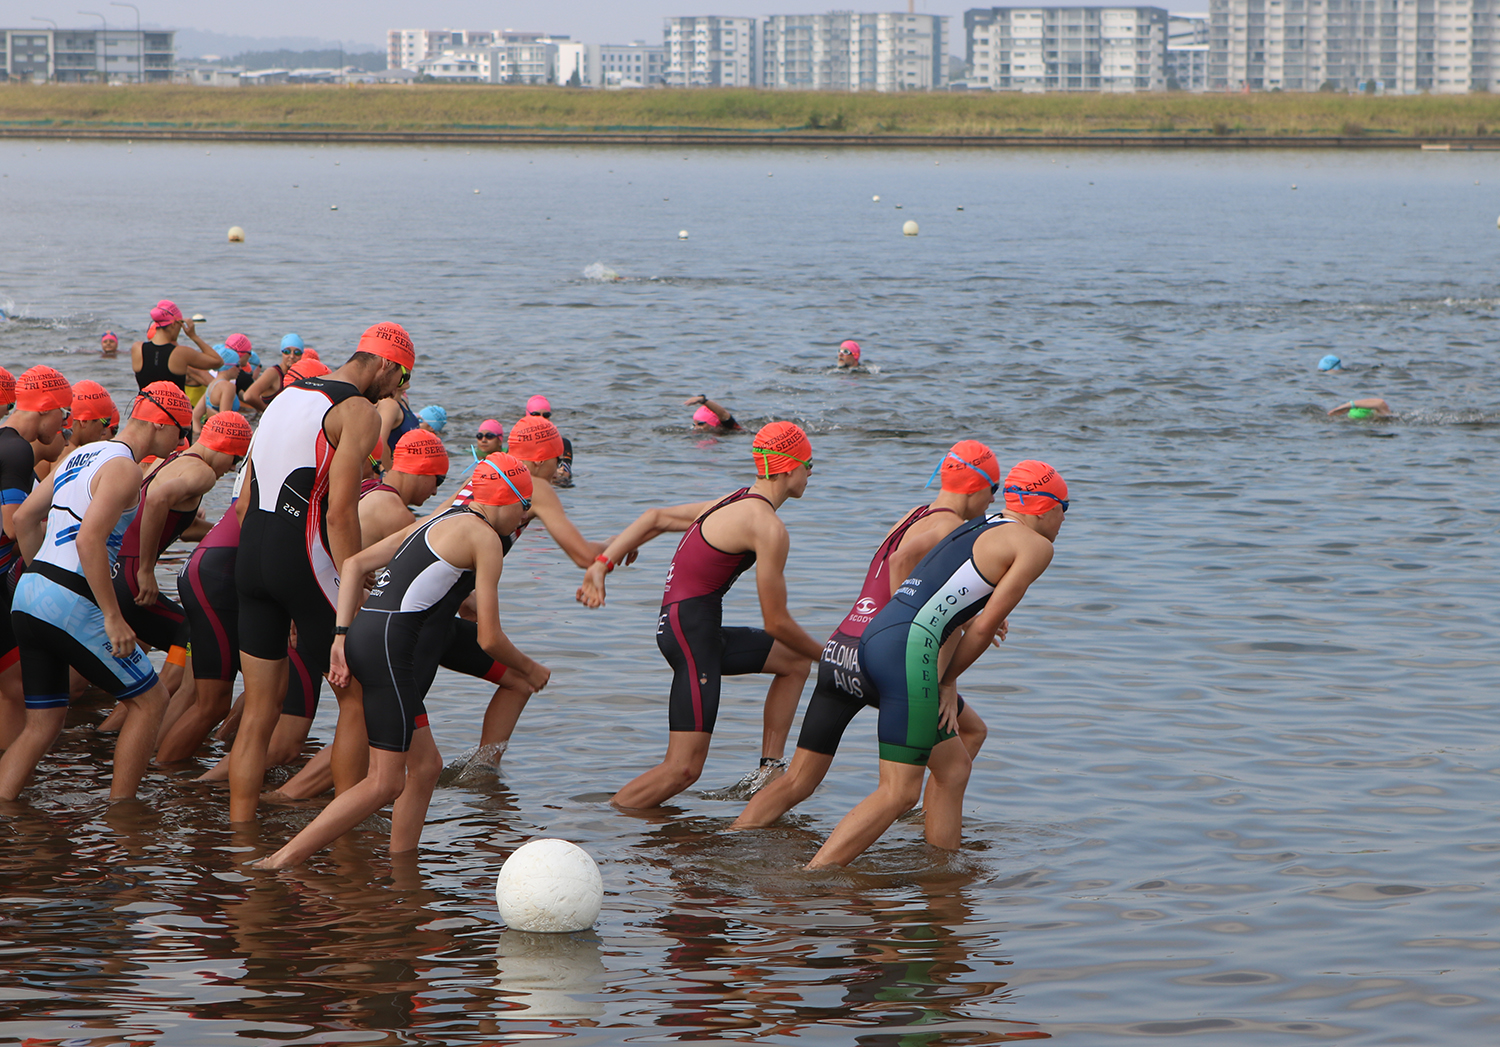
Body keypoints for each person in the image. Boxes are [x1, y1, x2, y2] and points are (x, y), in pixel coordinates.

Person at [251, 453, 548, 869]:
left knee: (425, 767)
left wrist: (340, 638)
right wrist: (531, 670)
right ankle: (280, 861)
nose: (522, 519)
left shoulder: (436, 519)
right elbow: (490, 637)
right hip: (391, 652)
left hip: (367, 637)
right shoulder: (485, 538)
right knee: (384, 782)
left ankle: (402, 864)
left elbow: (353, 565)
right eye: (524, 507)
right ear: (506, 498)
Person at [806, 460, 1067, 869]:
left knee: (954, 766)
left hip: (879, 636)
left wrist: (948, 654)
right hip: (910, 651)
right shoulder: (1036, 547)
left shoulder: (977, 525)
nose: (1064, 520)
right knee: (899, 791)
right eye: (1065, 509)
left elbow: (936, 589)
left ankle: (940, 875)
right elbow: (983, 630)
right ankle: (809, 881)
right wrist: (947, 681)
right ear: (1047, 506)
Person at [734, 440, 1000, 831]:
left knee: (800, 780)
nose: (991, 505)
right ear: (977, 487)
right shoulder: (952, 527)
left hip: (841, 648)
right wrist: (941, 675)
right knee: (955, 766)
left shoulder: (915, 514)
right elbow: (902, 562)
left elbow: (908, 570)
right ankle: (937, 865)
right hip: (882, 660)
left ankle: (732, 837)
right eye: (993, 492)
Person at [576, 421, 821, 809]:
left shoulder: (733, 501)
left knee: (793, 661)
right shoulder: (768, 527)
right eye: (810, 464)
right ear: (788, 467)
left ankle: (769, 770)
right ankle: (608, 823)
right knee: (684, 768)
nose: (812, 473)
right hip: (693, 633)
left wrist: (603, 561)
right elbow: (777, 622)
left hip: (686, 626)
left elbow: (655, 518)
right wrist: (831, 655)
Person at [228, 321, 413, 823]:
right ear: (387, 365)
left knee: (259, 713)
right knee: (354, 699)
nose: (397, 392)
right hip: (302, 560)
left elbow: (244, 501)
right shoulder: (357, 412)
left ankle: (240, 835)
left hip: (251, 558)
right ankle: (345, 833)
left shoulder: (284, 396)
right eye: (402, 380)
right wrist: (356, 581)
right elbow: (339, 514)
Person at [0, 382, 190, 801]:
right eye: (182, 432)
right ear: (161, 424)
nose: (182, 443)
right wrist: (112, 615)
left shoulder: (78, 455)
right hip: (69, 595)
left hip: (29, 594)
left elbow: (28, 519)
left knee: (43, 723)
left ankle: (4, 807)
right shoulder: (124, 468)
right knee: (152, 700)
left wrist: (41, 575)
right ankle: (123, 820)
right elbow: (89, 541)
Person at [113, 410, 252, 703]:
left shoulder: (175, 459)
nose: (231, 469)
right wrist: (147, 571)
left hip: (115, 570)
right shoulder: (202, 473)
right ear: (225, 447)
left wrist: (226, 533)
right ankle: (154, 714)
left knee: (176, 641)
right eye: (235, 460)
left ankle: (116, 727)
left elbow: (184, 529)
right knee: (192, 635)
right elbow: (157, 500)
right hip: (133, 575)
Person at [0, 367, 72, 749]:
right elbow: (14, 526)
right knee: (15, 687)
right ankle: (9, 794)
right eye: (64, 413)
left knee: (10, 685)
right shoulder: (17, 450)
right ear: (47, 407)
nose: (65, 423)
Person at [130, 300, 222, 392]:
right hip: (173, 406)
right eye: (180, 324)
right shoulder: (181, 353)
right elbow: (218, 362)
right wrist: (193, 336)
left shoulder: (137, 348)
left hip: (145, 405)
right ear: (174, 324)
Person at [34, 380, 116, 483]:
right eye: (105, 423)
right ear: (84, 421)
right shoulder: (68, 452)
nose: (105, 432)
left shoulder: (49, 442)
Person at [241, 333, 304, 411]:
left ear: (302, 355)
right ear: (282, 352)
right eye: (287, 351)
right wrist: (267, 411)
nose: (292, 356)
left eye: (297, 352)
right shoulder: (273, 373)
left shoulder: (301, 376)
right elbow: (249, 396)